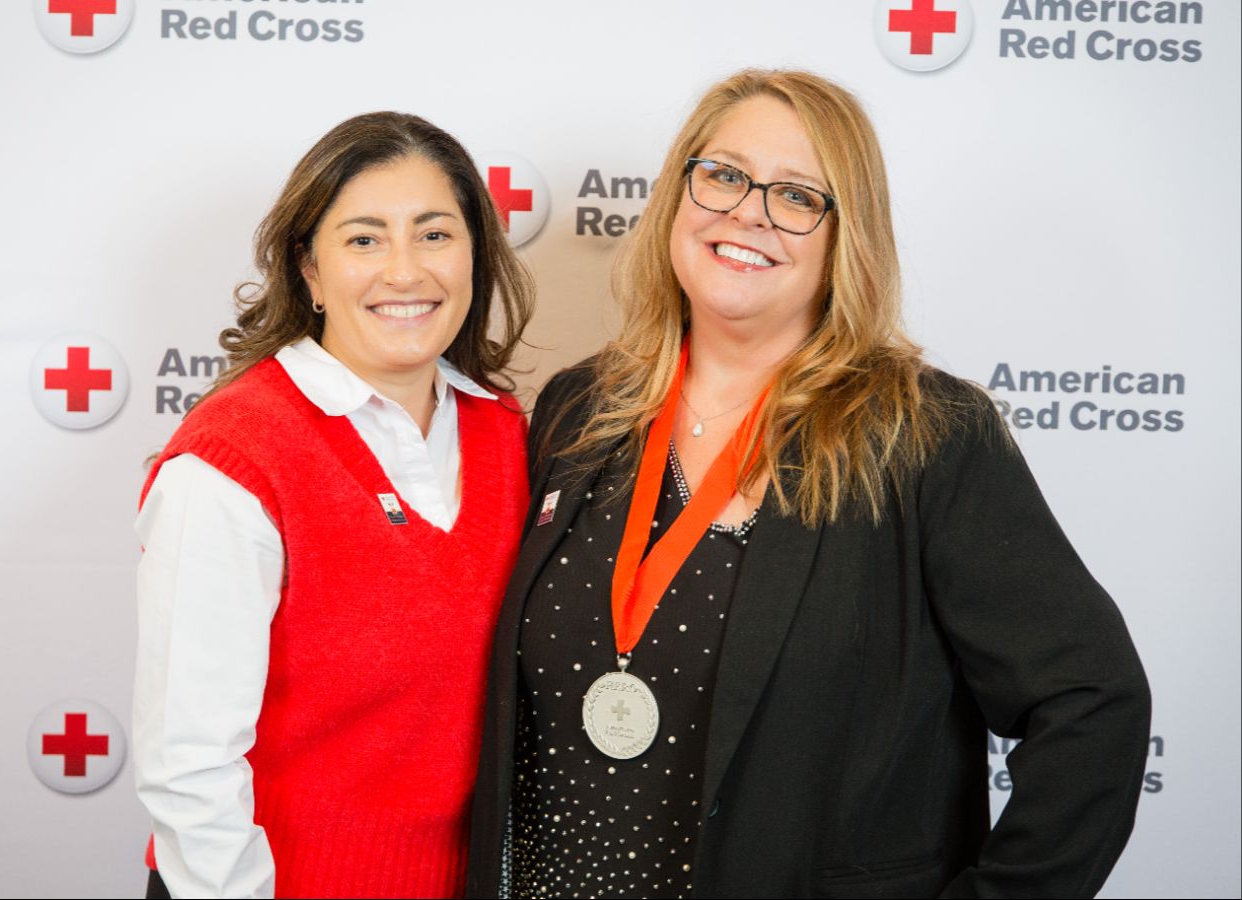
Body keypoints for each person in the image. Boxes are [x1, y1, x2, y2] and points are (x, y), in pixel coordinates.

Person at [466, 70, 1151, 899]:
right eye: (722, 174)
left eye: (796, 195)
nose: (747, 212)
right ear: (680, 193)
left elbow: (1091, 702)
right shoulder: (583, 407)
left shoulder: (923, 434)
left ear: (844, 236)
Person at [133, 111, 534, 899]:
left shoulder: (508, 435)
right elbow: (189, 763)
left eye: (434, 234)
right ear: (308, 270)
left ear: (476, 256)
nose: (405, 271)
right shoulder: (236, 458)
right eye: (363, 239)